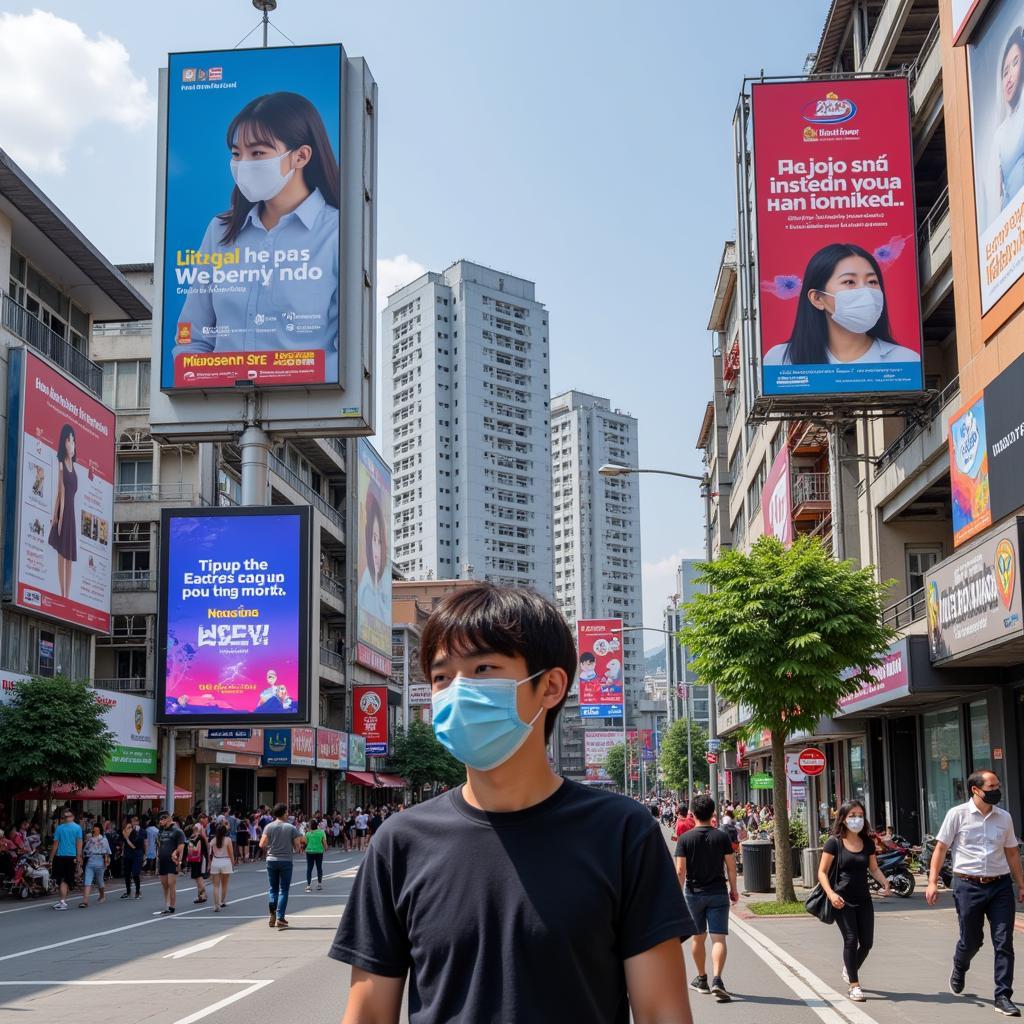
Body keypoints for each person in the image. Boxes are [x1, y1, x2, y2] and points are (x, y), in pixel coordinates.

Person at [330, 583, 694, 1024]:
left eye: (484, 668)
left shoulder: (622, 832)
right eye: (442, 677)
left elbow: (662, 1013)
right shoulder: (400, 843)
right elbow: (367, 1013)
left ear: (550, 686)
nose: (458, 692)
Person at [173, 91, 341, 381]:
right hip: (222, 414)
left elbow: (348, 350)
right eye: (237, 154)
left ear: (300, 156)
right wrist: (204, 389)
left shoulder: (338, 232)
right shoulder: (220, 231)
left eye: (258, 153)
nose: (244, 164)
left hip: (309, 412)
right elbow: (192, 336)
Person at [926, 769, 1024, 1017]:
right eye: (991, 787)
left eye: (997, 785)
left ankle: (1003, 996)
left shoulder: (1004, 818)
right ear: (976, 790)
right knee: (972, 940)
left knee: (1004, 942)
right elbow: (940, 849)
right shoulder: (957, 815)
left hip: (1000, 885)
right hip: (968, 885)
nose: (996, 791)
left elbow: (1012, 852)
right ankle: (960, 964)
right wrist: (932, 881)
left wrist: (1021, 884)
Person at [762, 243, 920, 367]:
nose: (865, 291)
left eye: (872, 281)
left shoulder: (905, 360)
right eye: (849, 282)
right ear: (817, 298)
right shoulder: (781, 359)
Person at [818, 799, 891, 1003]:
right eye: (852, 816)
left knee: (867, 943)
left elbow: (873, 868)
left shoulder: (868, 842)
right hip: (842, 899)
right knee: (851, 939)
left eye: (860, 815)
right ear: (843, 819)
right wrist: (832, 894)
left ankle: (849, 968)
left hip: (864, 898)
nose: (857, 819)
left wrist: (885, 883)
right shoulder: (834, 842)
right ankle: (854, 985)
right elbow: (822, 873)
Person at [675, 795, 739, 1002]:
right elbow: (731, 866)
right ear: (713, 813)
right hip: (718, 892)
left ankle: (702, 978)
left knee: (698, 937)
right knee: (718, 938)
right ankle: (717, 980)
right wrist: (734, 889)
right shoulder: (721, 837)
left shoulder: (685, 839)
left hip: (694, 893)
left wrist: (676, 894)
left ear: (692, 814)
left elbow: (680, 871)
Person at [259, 801, 304, 929]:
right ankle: (280, 917)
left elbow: (261, 844)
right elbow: (297, 847)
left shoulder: (268, 826)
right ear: (284, 813)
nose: (288, 813)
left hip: (271, 860)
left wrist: (272, 846)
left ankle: (272, 911)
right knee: (284, 889)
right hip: (286, 860)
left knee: (273, 888)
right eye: (287, 811)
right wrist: (296, 847)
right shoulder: (291, 828)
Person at [46, 423, 78, 598]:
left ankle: (67, 596)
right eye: (68, 439)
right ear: (63, 441)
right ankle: (61, 593)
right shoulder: (60, 465)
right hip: (64, 513)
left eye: (73, 440)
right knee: (62, 554)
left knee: (70, 556)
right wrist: (56, 517)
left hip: (72, 515)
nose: (71, 443)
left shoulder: (74, 467)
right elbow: (60, 493)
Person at [995, 27, 1024, 212]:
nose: (1009, 77)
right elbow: (999, 190)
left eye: (1016, 63)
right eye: (1005, 72)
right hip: (1012, 225)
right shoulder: (999, 133)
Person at [357, 489, 390, 624]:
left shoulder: (385, 583)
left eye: (380, 541)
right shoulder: (364, 591)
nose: (377, 549)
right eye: (374, 539)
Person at [154, 811, 186, 916]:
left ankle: (172, 906)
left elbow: (181, 846)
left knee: (171, 883)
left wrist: (176, 854)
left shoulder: (177, 831)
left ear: (168, 818)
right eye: (160, 819)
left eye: (162, 819)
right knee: (164, 884)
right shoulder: (161, 831)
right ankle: (167, 904)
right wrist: (157, 861)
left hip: (172, 861)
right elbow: (159, 845)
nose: (160, 821)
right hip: (162, 860)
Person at [49, 809, 82, 911]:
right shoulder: (77, 828)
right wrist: (78, 858)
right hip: (71, 857)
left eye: (66, 817)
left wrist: (51, 858)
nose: (66, 818)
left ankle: (62, 901)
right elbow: (79, 845)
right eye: (65, 817)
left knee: (62, 880)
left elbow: (55, 845)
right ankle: (62, 900)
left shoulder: (59, 828)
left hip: (60, 856)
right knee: (66, 880)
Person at [79, 824, 110, 908]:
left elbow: (107, 852)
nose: (95, 831)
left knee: (100, 881)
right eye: (94, 830)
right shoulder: (90, 840)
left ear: (100, 830)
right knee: (87, 881)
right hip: (90, 862)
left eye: (97, 830)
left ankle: (102, 895)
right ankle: (85, 901)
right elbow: (85, 850)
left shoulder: (104, 840)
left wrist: (106, 862)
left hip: (100, 862)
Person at [208, 823, 234, 912]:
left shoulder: (213, 840)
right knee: (224, 884)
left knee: (215, 886)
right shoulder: (228, 840)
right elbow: (231, 853)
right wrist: (233, 863)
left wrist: (209, 863)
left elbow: (209, 851)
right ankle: (222, 901)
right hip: (226, 862)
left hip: (216, 861)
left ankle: (216, 905)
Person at [120, 816, 144, 900]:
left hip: (137, 855)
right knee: (126, 874)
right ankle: (128, 891)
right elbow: (124, 844)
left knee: (135, 873)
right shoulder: (123, 834)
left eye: (130, 827)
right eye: (126, 828)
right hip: (127, 855)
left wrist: (126, 838)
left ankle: (138, 891)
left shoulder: (137, 834)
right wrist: (122, 852)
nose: (128, 829)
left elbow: (134, 846)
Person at [187, 824, 209, 905]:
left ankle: (202, 895)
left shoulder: (191, 838)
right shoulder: (200, 837)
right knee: (199, 877)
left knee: (198, 878)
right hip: (200, 859)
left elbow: (189, 850)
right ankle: (202, 895)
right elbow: (204, 849)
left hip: (193, 859)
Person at [304, 817, 327, 892]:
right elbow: (325, 844)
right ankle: (319, 884)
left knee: (309, 868)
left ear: (310, 826)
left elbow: (305, 843)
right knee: (319, 868)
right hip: (319, 852)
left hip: (309, 852)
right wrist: (325, 848)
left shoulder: (307, 834)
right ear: (317, 825)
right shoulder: (321, 832)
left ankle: (308, 885)